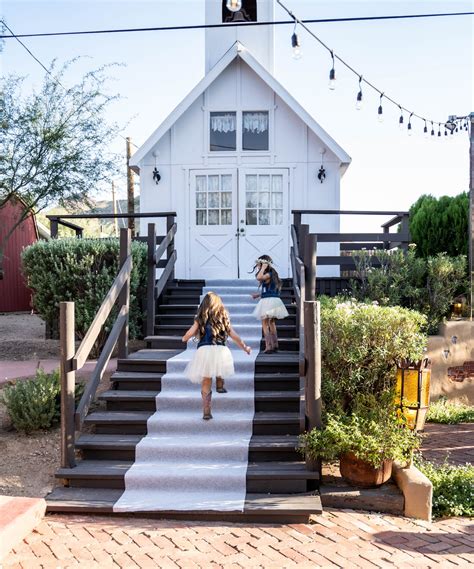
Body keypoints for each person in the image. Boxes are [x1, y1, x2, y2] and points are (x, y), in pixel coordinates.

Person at [182, 292, 251, 420]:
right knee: (219, 366)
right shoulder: (223, 318)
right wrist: (245, 347)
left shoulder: (200, 318)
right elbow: (234, 336)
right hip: (220, 350)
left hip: (204, 350)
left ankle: (206, 409)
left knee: (206, 380)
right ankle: (220, 383)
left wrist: (185, 338)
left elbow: (190, 333)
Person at [251, 255, 289, 353]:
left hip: (268, 301)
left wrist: (263, 268)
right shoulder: (272, 274)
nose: (258, 267)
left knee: (264, 323)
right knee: (271, 322)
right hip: (272, 300)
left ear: (265, 264)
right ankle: (275, 345)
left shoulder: (268, 274)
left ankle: (268, 346)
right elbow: (270, 290)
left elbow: (259, 277)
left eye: (259, 265)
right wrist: (259, 295)